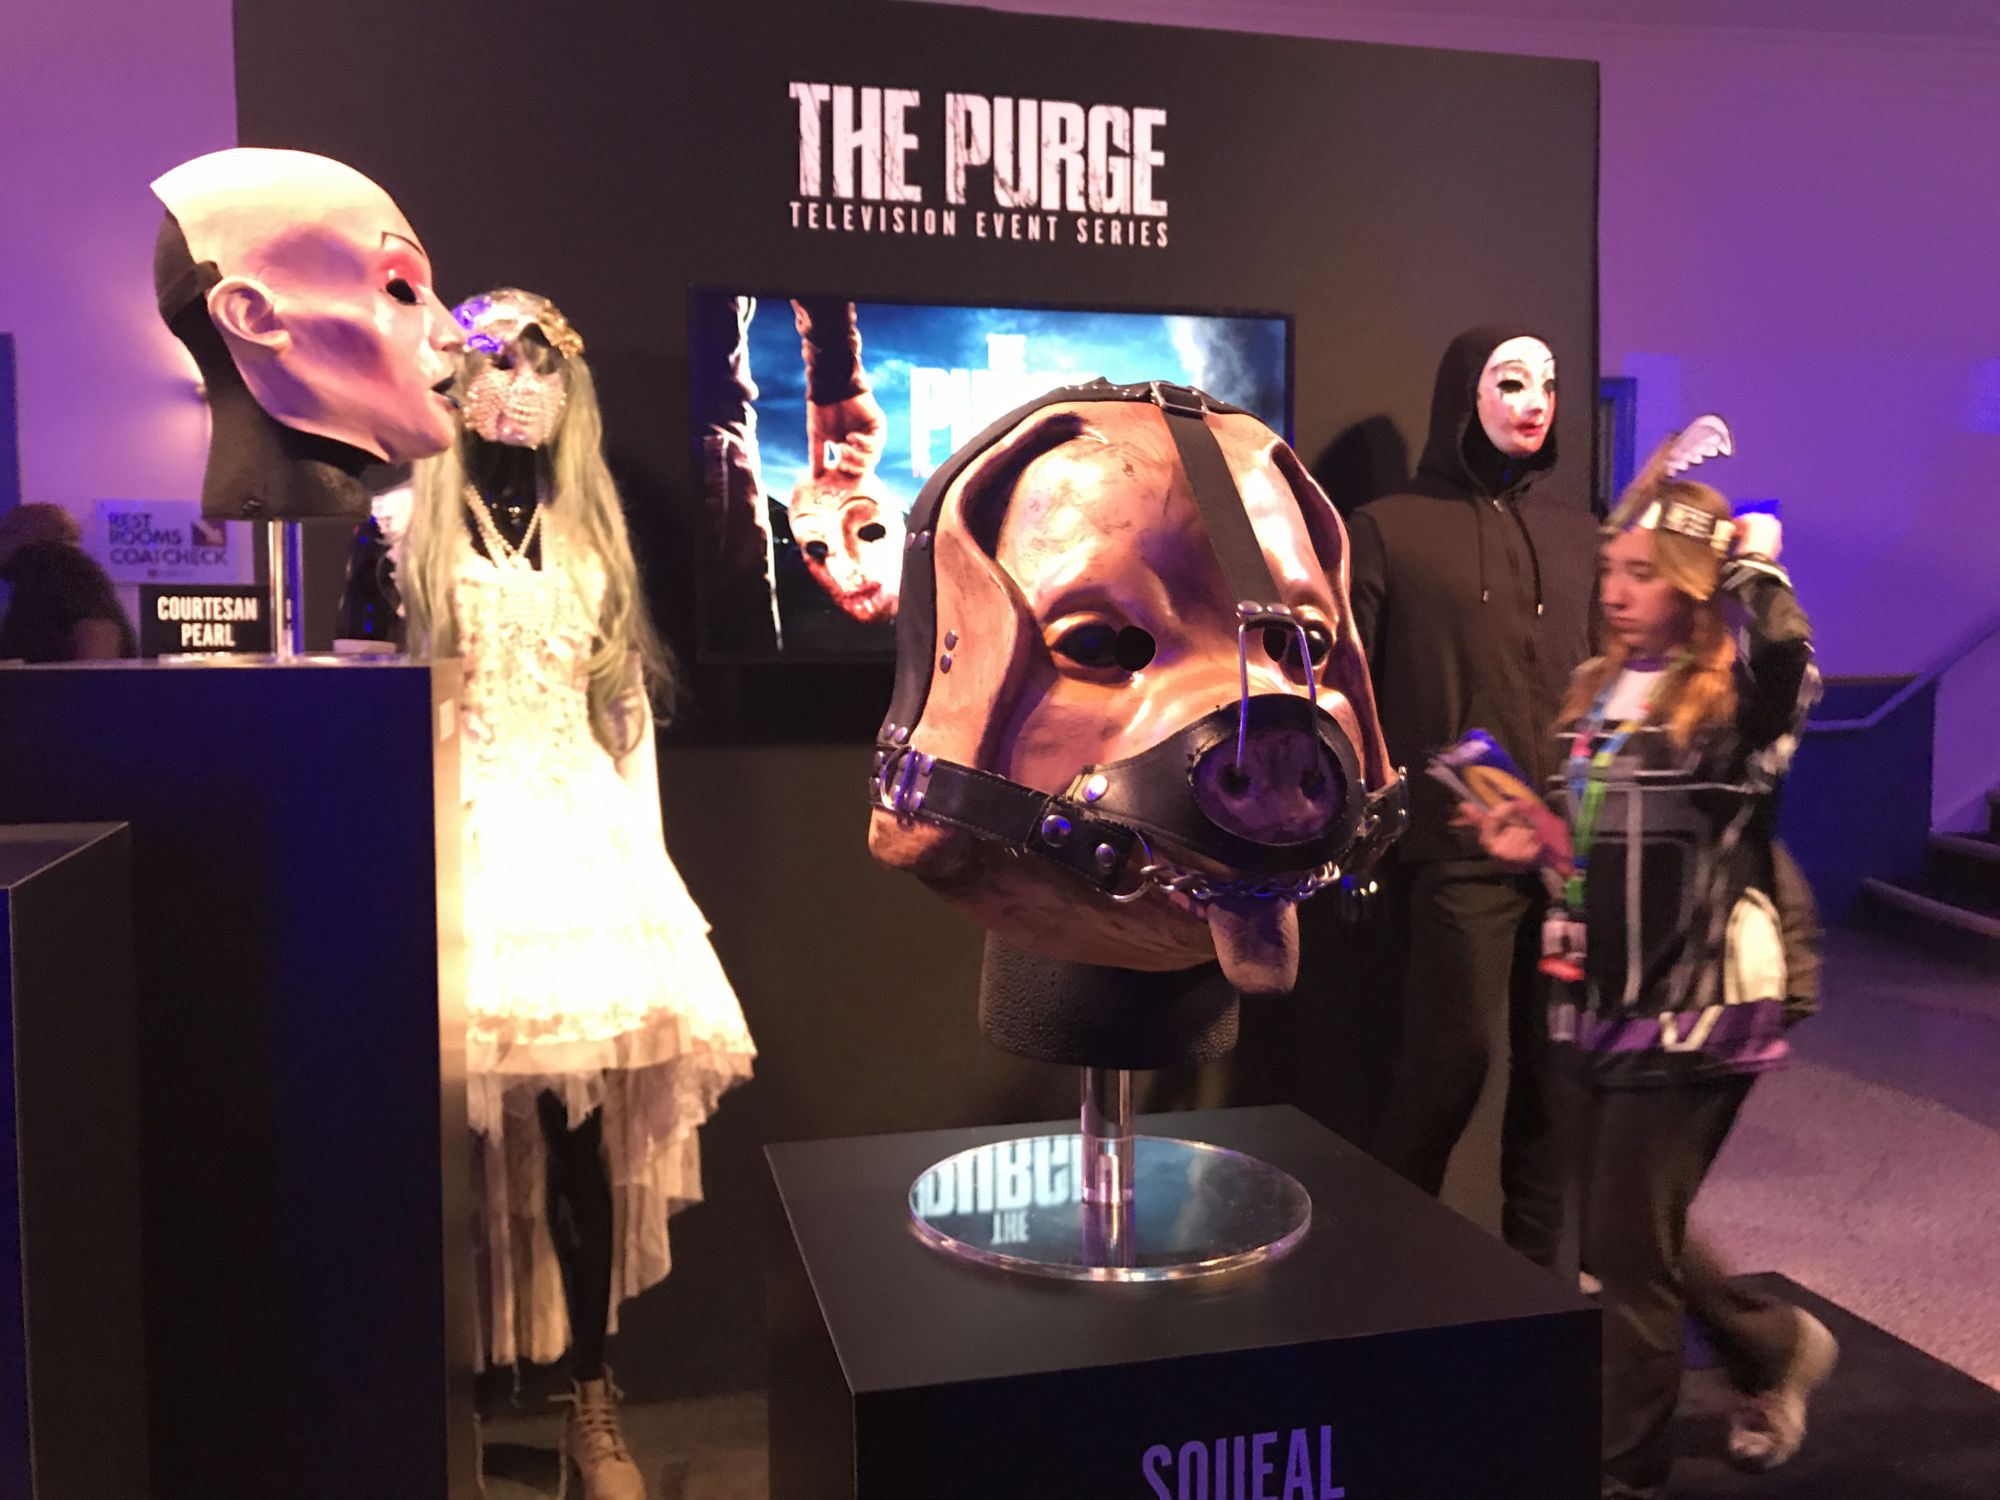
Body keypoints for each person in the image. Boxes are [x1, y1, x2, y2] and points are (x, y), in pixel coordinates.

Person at [398, 288, 756, 1500]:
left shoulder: (592, 544)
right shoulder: (403, 534)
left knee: (579, 1137)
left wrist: (644, 877)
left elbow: (624, 728)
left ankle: (591, 1403)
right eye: (495, 360)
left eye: (540, 363)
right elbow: (369, 714)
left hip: (577, 861)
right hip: (456, 856)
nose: (518, 384)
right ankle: (444, 1397)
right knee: (438, 1139)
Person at [1460, 457, 1834, 1498]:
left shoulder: (1734, 703)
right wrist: (1530, 837)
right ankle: (1772, 1345)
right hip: (1597, 992)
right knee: (1630, 1227)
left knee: (1625, 1255)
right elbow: (1588, 850)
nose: (1617, 593)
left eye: (1644, 574)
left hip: (1695, 1000)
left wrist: (1748, 561)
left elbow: (1788, 653)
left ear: (1694, 586)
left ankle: (1627, 1473)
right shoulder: (1596, 688)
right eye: (1611, 572)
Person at [1348, 325, 1598, 1267]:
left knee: (1557, 1080)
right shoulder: (1387, 530)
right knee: (1448, 1067)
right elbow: (1349, 688)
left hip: (1570, 855)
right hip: (1460, 848)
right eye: (1511, 382)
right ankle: (1385, 1274)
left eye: (1547, 384)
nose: (1535, 402)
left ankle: (1539, 1285)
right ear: (1466, 394)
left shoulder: (1581, 535)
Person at [0, 502, 137, 661]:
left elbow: (98, 631)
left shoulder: (56, 563)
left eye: (6, 532)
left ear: (33, 536)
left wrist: (85, 676)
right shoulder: (44, 574)